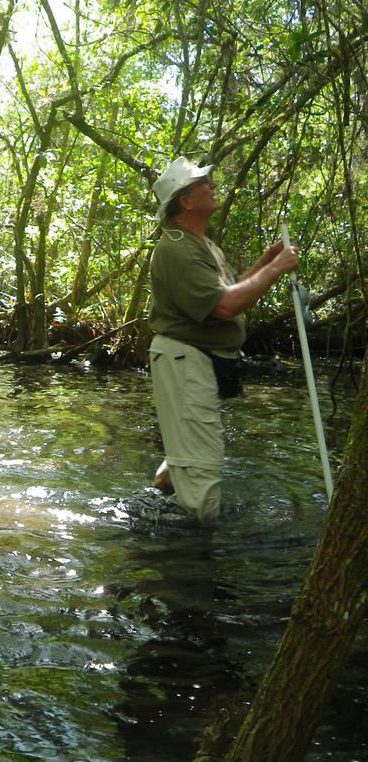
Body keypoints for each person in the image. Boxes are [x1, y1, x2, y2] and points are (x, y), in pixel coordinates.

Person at [148, 156, 299, 523]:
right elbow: (225, 306)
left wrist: (265, 263)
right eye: (205, 183)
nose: (213, 186)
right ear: (186, 201)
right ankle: (192, 563)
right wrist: (278, 269)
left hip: (197, 362)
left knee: (194, 451)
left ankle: (168, 488)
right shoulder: (177, 249)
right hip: (186, 362)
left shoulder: (201, 244)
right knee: (204, 470)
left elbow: (229, 288)